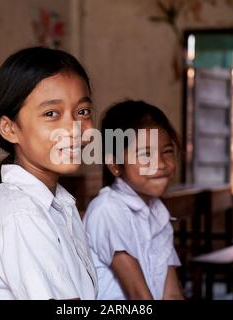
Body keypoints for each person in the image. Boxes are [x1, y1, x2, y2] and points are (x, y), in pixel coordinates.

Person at [0, 47, 97, 300]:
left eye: (82, 112)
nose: (74, 129)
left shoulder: (59, 203)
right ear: (10, 128)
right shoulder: (21, 215)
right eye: (51, 114)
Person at [84, 100, 184, 300]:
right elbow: (138, 295)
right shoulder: (108, 210)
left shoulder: (158, 212)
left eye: (167, 151)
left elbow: (171, 294)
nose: (161, 163)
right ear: (115, 165)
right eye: (146, 154)